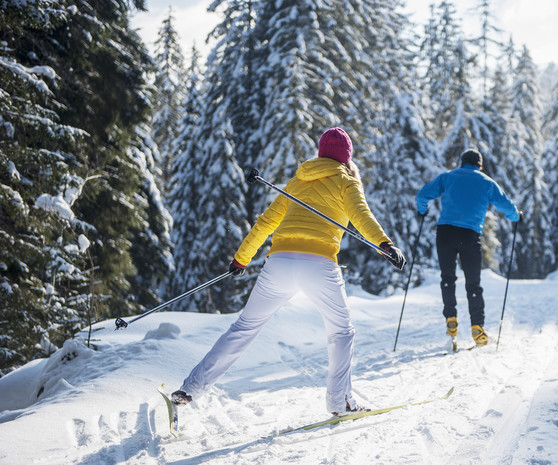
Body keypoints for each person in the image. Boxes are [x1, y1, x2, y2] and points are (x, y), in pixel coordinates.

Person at [171, 127, 406, 416]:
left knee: (244, 328)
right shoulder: (347, 183)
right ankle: (340, 402)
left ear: (320, 153)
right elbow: (362, 217)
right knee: (341, 333)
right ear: (347, 158)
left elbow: (265, 223)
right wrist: (385, 245)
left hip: (279, 263)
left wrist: (241, 259)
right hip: (319, 265)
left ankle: (190, 389)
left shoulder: (296, 182)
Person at [416, 148, 520, 347]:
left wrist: (422, 211)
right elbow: (506, 205)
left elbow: (423, 195)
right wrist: (517, 216)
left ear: (461, 162)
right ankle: (477, 327)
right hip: (470, 235)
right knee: (473, 283)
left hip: (445, 233)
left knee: (448, 277)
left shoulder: (447, 177)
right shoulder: (487, 182)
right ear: (479, 165)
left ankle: (451, 320)